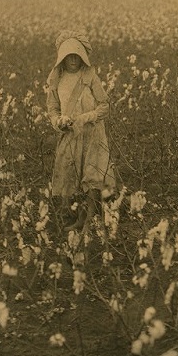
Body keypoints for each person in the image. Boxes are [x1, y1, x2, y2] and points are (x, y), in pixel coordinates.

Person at [46, 30, 116, 233]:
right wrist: (58, 121)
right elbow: (52, 109)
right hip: (70, 135)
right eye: (69, 56)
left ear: (82, 57)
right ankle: (79, 218)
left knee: (92, 175)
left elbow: (104, 105)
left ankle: (89, 221)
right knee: (70, 176)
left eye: (77, 56)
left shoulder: (90, 76)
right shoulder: (56, 79)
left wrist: (86, 118)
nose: (73, 60)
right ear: (62, 58)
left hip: (92, 133)